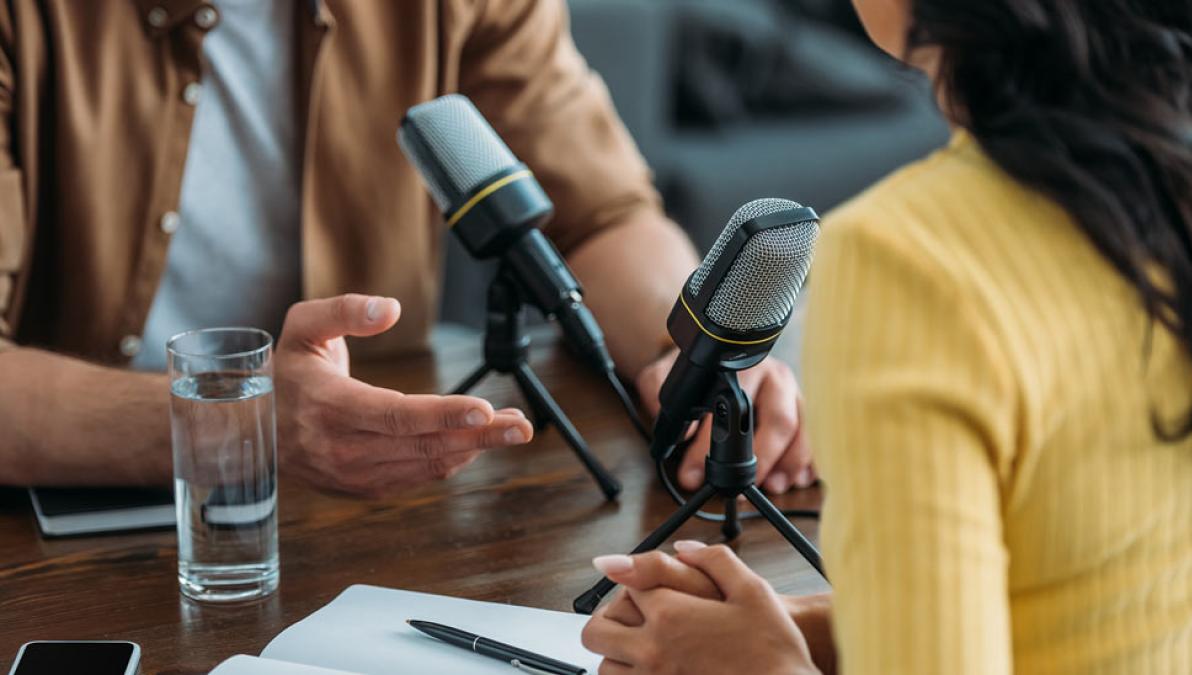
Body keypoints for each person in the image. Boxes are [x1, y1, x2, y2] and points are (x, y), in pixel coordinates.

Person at [582, 0, 1192, 673]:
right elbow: (1094, 598)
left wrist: (760, 663)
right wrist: (819, 627)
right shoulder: (1170, 180)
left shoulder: (905, 259)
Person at [0, 0, 812, 496]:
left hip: (371, 500)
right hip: (67, 511)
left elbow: (602, 213)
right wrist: (245, 426)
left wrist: (692, 362)